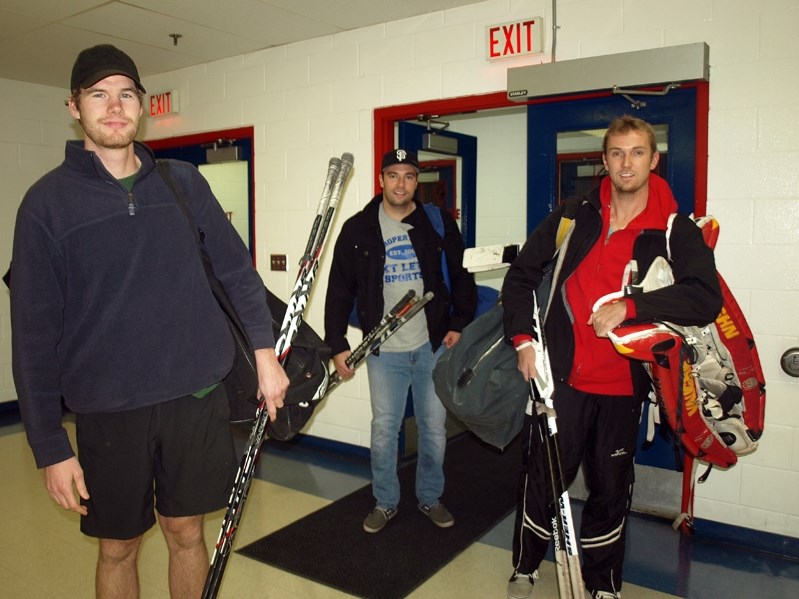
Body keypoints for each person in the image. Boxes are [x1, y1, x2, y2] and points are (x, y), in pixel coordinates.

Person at [10, 44, 289, 598]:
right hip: (110, 410)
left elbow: (237, 271)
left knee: (187, 532)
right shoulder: (46, 206)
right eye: (99, 96)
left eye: (126, 95)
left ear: (142, 107)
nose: (114, 108)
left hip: (195, 396)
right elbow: (33, 337)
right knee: (119, 547)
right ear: (74, 106)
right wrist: (50, 446)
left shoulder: (182, 184)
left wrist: (265, 353)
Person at [501, 116, 723, 599]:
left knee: (610, 490)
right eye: (617, 153)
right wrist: (522, 340)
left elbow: (705, 298)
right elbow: (520, 276)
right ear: (603, 161)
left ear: (653, 159)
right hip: (559, 381)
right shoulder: (573, 215)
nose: (627, 162)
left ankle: (603, 584)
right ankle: (526, 566)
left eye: (637, 152)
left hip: (624, 387)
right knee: (543, 477)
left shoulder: (672, 230)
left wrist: (632, 306)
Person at [324, 149, 477, 533]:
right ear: (381, 179)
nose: (401, 184)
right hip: (383, 351)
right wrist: (337, 343)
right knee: (384, 430)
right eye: (393, 175)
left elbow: (461, 275)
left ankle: (430, 497)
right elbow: (339, 290)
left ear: (416, 181)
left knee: (434, 430)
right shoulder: (359, 228)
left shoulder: (437, 222)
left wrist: (459, 322)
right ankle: (385, 501)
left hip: (432, 346)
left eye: (409, 176)